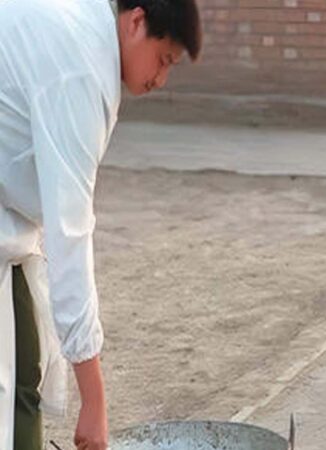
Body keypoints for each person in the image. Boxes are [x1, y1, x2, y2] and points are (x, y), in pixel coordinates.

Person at [0, 0, 202, 448]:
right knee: (14, 394)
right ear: (136, 21)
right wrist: (94, 400)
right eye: (164, 59)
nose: (160, 79)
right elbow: (69, 234)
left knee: (21, 380)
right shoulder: (80, 69)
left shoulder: (81, 25)